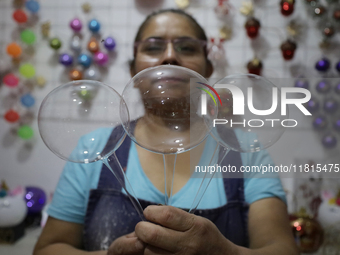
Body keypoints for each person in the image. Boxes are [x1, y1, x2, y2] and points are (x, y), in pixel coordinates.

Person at [33, 9, 299, 255]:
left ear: (208, 70)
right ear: (133, 70)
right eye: (153, 47)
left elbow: (282, 249)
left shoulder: (246, 151)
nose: (170, 56)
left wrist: (225, 253)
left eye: (187, 47)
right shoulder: (94, 147)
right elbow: (48, 248)